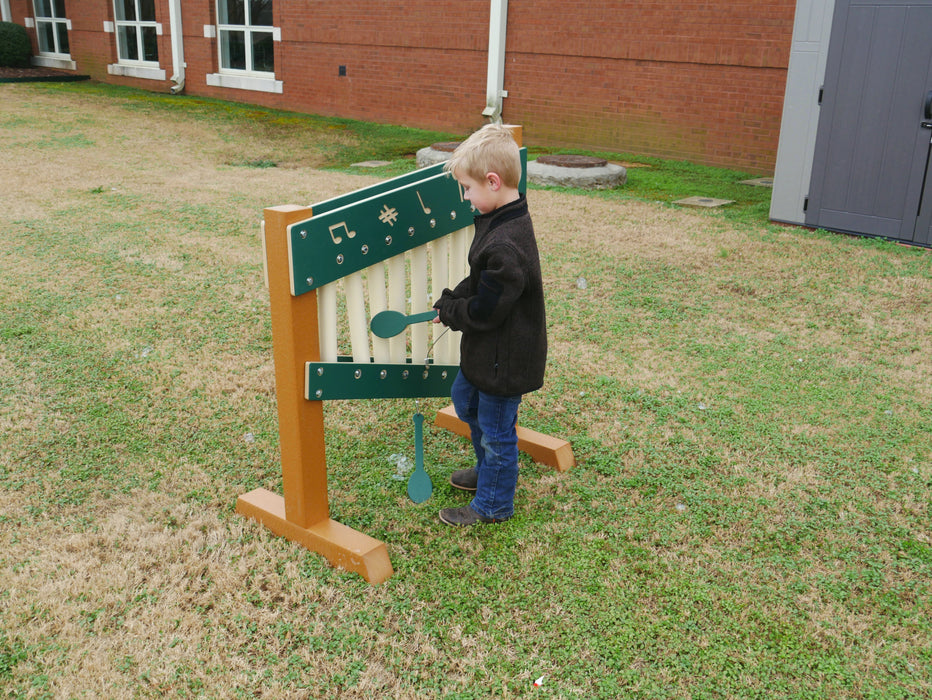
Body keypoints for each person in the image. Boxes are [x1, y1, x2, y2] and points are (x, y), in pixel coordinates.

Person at [432, 123, 547, 526]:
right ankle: (489, 474)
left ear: (492, 182)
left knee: (498, 432)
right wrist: (452, 298)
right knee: (465, 401)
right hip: (489, 354)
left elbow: (484, 311)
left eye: (467, 188)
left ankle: (494, 503)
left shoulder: (507, 243)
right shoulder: (501, 218)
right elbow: (479, 280)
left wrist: (454, 312)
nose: (465, 196)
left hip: (507, 359)